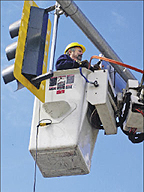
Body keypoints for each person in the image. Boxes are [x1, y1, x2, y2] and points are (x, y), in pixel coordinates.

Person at [55, 42, 102, 129]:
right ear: (70, 52)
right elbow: (60, 66)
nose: (81, 53)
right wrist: (77, 64)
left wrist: (93, 69)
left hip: (80, 92)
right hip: (66, 90)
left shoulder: (81, 68)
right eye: (79, 51)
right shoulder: (64, 58)